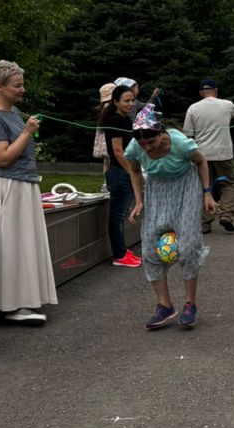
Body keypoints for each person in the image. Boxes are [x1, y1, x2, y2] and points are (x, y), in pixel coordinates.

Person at [0, 60, 57, 325]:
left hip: (24, 183)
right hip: (6, 184)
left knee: (26, 243)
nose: (23, 90)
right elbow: (2, 158)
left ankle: (26, 300)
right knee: (12, 244)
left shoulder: (13, 112)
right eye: (17, 85)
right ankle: (13, 305)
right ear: (0, 86)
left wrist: (25, 130)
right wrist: (27, 131)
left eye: (22, 85)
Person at [125, 104, 216, 330]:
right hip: (156, 190)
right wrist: (139, 201)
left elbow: (201, 161)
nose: (147, 147)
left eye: (151, 142)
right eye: (142, 144)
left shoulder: (180, 143)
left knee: (188, 246)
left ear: (161, 132)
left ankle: (190, 304)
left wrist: (207, 193)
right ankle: (164, 305)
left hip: (186, 188)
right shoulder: (135, 147)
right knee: (149, 247)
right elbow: (134, 170)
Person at [183, 78, 234, 234]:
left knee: (204, 187)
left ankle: (205, 223)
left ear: (200, 93)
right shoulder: (227, 104)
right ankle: (226, 215)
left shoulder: (193, 108)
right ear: (216, 91)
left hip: (201, 156)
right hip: (224, 153)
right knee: (229, 185)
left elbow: (188, 135)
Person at [98, 82, 141, 267]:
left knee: (120, 215)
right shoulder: (115, 120)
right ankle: (119, 255)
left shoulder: (125, 119)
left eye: (132, 100)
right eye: (126, 101)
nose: (130, 104)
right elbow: (117, 151)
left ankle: (122, 250)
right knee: (117, 216)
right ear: (115, 102)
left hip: (123, 172)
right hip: (119, 173)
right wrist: (131, 171)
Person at [93, 81, 115, 184]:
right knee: (111, 161)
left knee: (106, 161)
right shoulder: (110, 106)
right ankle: (108, 182)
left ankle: (106, 182)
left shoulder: (103, 107)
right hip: (108, 138)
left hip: (104, 138)